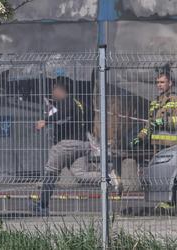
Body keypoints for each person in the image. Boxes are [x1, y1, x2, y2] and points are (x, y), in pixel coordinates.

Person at [30, 77, 121, 216]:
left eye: (54, 88)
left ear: (60, 89)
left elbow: (63, 114)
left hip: (67, 144)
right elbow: (89, 116)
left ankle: (42, 206)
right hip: (82, 143)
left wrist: (46, 121)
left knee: (50, 172)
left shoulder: (67, 101)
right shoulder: (79, 102)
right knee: (80, 174)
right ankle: (108, 178)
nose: (52, 91)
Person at [130, 66, 177, 153]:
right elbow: (150, 123)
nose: (159, 85)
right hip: (156, 146)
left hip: (173, 146)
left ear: (170, 83)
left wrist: (163, 122)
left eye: (162, 82)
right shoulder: (155, 102)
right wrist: (140, 138)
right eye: (157, 82)